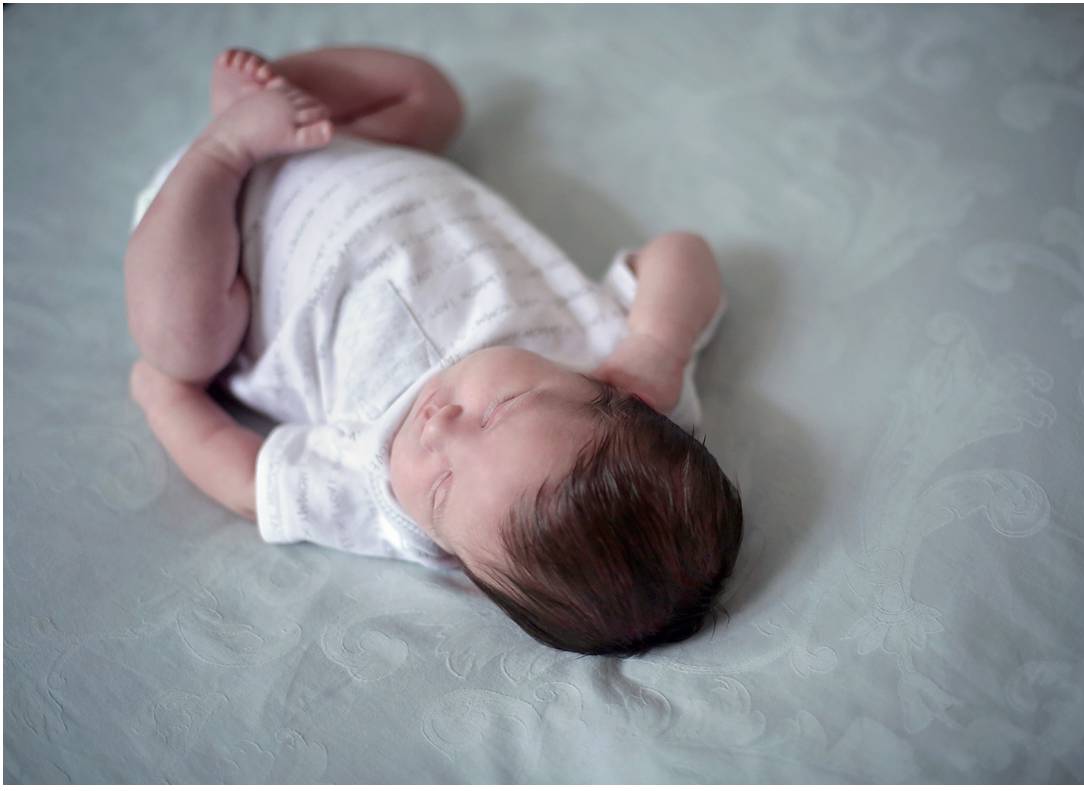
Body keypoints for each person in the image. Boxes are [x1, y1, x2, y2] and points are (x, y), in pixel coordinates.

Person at [125, 46, 743, 656]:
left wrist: (168, 403)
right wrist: (657, 345)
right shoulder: (623, 366)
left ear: (464, 568)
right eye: (499, 411)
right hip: (355, 146)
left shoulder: (379, 504)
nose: (440, 427)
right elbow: (682, 253)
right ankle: (276, 96)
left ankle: (220, 149)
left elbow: (248, 484)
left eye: (443, 487)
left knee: (180, 343)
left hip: (223, 251)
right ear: (615, 393)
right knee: (430, 96)